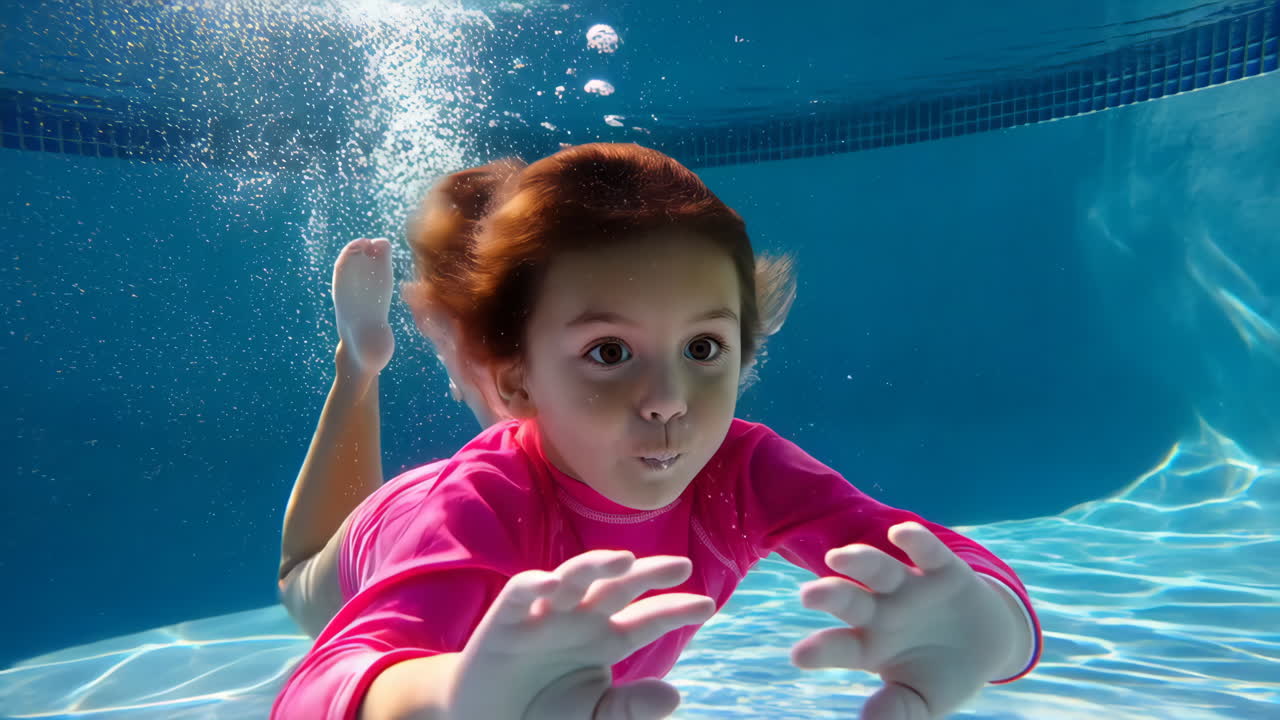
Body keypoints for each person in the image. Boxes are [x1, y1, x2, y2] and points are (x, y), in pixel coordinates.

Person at [273, 143, 1043, 720]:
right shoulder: (474, 510)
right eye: (611, 352)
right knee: (299, 585)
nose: (669, 402)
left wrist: (987, 626)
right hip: (393, 528)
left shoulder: (741, 472)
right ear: (518, 378)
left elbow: (943, 566)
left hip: (537, 437)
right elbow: (316, 687)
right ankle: (360, 363)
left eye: (703, 348)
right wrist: (449, 697)